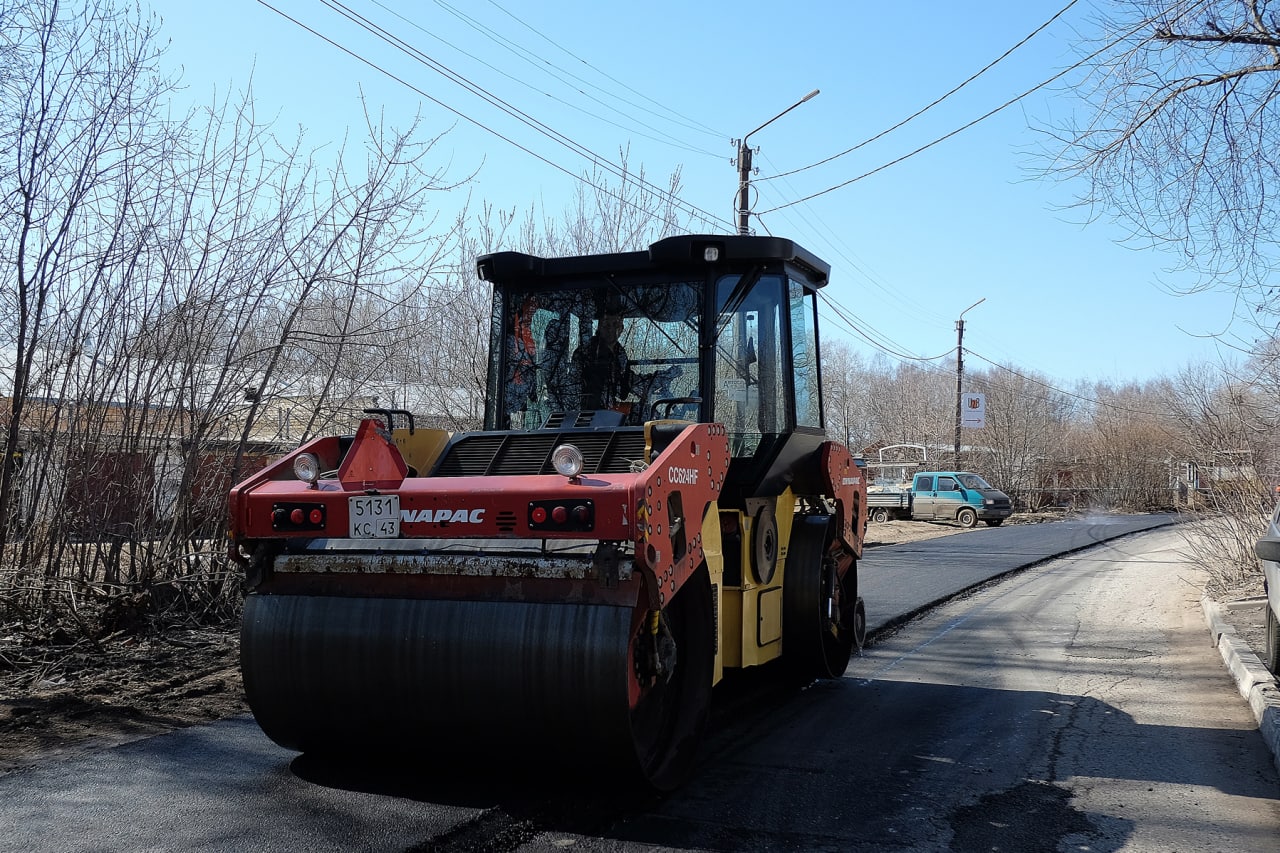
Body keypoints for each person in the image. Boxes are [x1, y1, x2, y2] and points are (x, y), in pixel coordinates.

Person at [571, 313, 631, 409]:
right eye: (606, 325)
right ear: (599, 327)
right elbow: (573, 390)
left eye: (615, 325)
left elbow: (623, 390)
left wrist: (651, 382)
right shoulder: (584, 353)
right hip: (587, 414)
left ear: (621, 329)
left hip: (611, 413)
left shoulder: (621, 354)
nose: (611, 329)